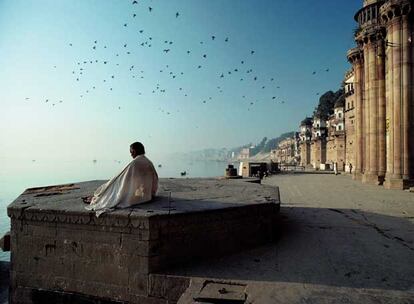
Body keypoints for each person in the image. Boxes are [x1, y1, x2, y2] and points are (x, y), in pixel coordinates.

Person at [85, 142, 158, 216]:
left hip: (140, 197)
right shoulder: (148, 161)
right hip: (148, 195)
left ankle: (101, 197)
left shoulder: (135, 163)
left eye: (131, 152)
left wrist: (104, 193)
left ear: (134, 151)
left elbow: (122, 179)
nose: (131, 154)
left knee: (113, 186)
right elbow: (155, 179)